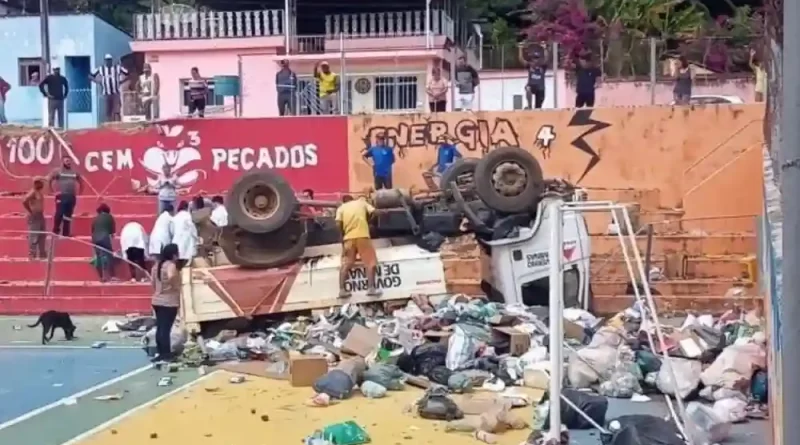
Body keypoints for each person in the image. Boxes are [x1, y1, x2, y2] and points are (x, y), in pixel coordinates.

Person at [335, 195, 381, 298]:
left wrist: (342, 237)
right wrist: (368, 221)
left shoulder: (341, 208)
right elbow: (376, 212)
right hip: (363, 237)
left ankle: (342, 290)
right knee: (370, 263)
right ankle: (371, 289)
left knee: (345, 265)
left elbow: (338, 224)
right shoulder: (361, 203)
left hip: (348, 239)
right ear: (352, 199)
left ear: (344, 201)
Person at [151, 243, 182, 363]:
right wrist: (176, 287)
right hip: (169, 301)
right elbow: (171, 276)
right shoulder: (171, 265)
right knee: (166, 329)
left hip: (157, 299)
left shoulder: (156, 265)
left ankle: (161, 352)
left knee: (160, 328)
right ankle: (167, 354)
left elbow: (153, 283)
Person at [47, 157, 83, 237]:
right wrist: (52, 192)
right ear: (62, 162)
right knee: (59, 213)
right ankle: (55, 231)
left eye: (70, 161)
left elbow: (81, 181)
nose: (69, 162)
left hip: (71, 196)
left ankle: (66, 233)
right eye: (67, 161)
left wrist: (80, 192)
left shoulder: (74, 172)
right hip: (61, 196)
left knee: (68, 215)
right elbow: (49, 180)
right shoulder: (57, 171)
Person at [91, 54, 128, 123]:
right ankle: (109, 125)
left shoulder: (117, 68)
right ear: (105, 61)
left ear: (111, 60)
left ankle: (118, 124)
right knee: (108, 111)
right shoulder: (101, 69)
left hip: (116, 92)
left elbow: (127, 73)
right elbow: (90, 75)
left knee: (117, 110)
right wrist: (97, 82)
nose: (108, 62)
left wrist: (121, 82)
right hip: (106, 93)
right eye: (107, 60)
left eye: (109, 60)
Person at [91, 204, 116, 282]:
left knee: (99, 257)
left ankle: (101, 277)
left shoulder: (95, 218)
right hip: (104, 237)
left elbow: (92, 230)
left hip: (95, 238)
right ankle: (112, 276)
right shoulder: (109, 217)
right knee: (109, 255)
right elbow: (112, 232)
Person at [22, 178, 46, 259]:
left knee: (42, 235)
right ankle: (32, 253)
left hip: (40, 215)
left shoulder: (39, 192)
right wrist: (30, 211)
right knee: (34, 235)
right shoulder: (32, 192)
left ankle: (42, 253)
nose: (42, 185)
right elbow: (24, 201)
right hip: (34, 216)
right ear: (36, 183)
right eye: (41, 183)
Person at [172, 200, 198, 269]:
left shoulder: (175, 217)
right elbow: (192, 228)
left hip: (176, 240)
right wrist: (196, 237)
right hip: (186, 240)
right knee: (186, 259)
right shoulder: (187, 216)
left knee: (178, 259)